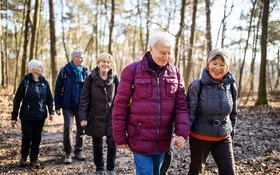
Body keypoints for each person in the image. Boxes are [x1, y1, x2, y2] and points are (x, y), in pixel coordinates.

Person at [112, 32, 190, 175]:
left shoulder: (175, 73)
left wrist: (182, 132)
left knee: (157, 171)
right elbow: (120, 105)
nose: (165, 57)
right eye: (162, 52)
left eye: (168, 53)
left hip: (163, 139)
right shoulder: (132, 70)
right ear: (150, 49)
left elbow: (181, 106)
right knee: (145, 172)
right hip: (140, 136)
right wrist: (119, 136)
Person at [187, 48, 237, 175]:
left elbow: (233, 113)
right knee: (196, 172)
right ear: (208, 64)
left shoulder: (231, 86)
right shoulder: (197, 86)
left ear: (227, 67)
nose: (218, 68)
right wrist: (182, 133)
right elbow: (190, 114)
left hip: (223, 137)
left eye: (222, 64)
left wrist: (231, 132)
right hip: (200, 137)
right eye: (214, 63)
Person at [79, 52, 119, 175]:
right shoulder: (90, 78)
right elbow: (84, 99)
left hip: (111, 116)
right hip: (95, 115)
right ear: (98, 63)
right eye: (103, 61)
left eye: (108, 62)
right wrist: (83, 117)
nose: (106, 64)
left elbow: (120, 98)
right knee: (97, 143)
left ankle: (111, 169)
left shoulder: (115, 78)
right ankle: (100, 168)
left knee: (112, 142)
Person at [11, 59, 54, 168]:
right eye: (40, 67)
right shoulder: (25, 82)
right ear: (33, 69)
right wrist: (14, 117)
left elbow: (49, 98)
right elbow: (17, 99)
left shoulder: (44, 82)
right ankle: (23, 157)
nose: (42, 69)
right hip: (27, 116)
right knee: (27, 137)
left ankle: (34, 159)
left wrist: (51, 111)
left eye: (42, 67)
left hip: (40, 116)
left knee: (37, 138)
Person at [54, 50, 89, 164]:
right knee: (68, 128)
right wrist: (57, 105)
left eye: (82, 57)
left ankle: (79, 151)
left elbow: (90, 90)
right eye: (80, 57)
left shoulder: (85, 71)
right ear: (74, 58)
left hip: (82, 106)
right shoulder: (65, 70)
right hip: (68, 105)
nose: (82, 59)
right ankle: (68, 152)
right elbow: (58, 88)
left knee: (82, 129)